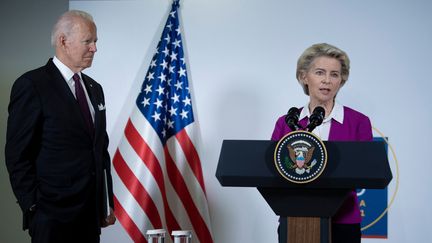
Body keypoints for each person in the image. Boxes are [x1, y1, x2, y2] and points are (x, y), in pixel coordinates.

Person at [5, 10, 115, 243]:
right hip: (51, 219)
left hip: (90, 218)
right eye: (88, 41)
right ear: (63, 41)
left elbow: (99, 151)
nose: (95, 48)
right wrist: (34, 208)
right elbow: (17, 155)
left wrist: (105, 202)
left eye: (95, 42)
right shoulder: (32, 85)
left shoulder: (95, 89)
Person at [271, 43, 372, 243]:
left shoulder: (359, 122)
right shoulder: (286, 123)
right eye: (320, 72)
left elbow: (367, 172)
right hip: (294, 220)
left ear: (341, 80)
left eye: (334, 74)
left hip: (344, 223)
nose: (327, 80)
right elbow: (272, 173)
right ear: (303, 77)